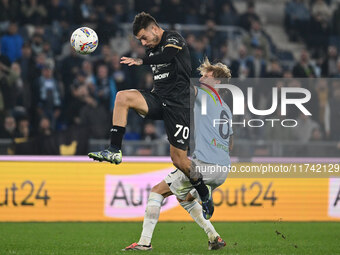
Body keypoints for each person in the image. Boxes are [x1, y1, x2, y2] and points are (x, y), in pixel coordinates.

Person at [88, 12, 214, 219]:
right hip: (158, 99)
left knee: (179, 160)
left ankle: (203, 192)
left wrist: (140, 61)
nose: (143, 43)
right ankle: (114, 149)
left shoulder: (173, 39)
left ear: (154, 29)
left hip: (178, 106)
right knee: (122, 97)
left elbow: (167, 56)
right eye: (140, 41)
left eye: (144, 37)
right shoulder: (153, 48)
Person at [123, 58, 233, 251]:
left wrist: (164, 66)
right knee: (185, 198)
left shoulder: (204, 94)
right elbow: (230, 142)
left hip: (204, 165)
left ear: (217, 82)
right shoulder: (226, 108)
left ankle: (144, 242)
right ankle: (214, 237)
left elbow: (183, 88)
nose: (201, 77)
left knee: (157, 191)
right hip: (223, 169)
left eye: (206, 75)